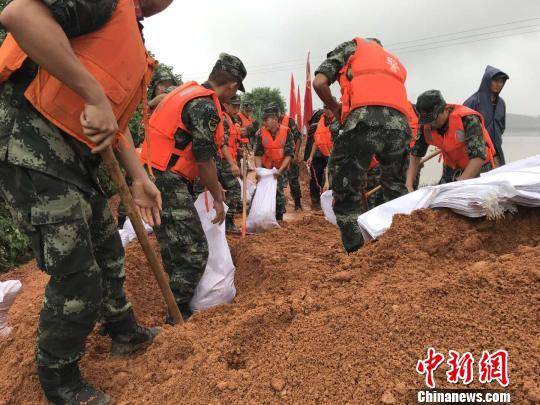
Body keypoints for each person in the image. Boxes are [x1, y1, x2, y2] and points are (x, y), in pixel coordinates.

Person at [0, 0, 169, 403]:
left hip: (75, 156)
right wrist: (92, 93)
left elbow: (115, 123)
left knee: (109, 250)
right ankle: (60, 381)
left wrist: (140, 177)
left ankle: (122, 331)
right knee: (77, 271)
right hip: (30, 138)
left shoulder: (131, 34)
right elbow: (19, 14)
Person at [139, 53, 247, 321]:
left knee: (173, 248)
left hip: (151, 173)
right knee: (194, 252)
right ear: (232, 85)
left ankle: (180, 308)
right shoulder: (205, 106)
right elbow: (204, 160)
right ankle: (175, 316)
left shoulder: (184, 92)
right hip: (166, 179)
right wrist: (217, 197)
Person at [313, 37, 410, 252]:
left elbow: (319, 83)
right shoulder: (391, 60)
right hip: (401, 125)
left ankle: (357, 253)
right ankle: (400, 249)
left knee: (346, 190)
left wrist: (336, 109)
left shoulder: (352, 48)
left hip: (364, 119)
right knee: (395, 189)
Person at [406, 90, 496, 191]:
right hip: (452, 168)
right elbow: (415, 156)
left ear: (445, 109)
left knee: (473, 201)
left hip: (479, 168)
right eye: (427, 120)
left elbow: (478, 157)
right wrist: (409, 184)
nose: (431, 124)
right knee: (439, 199)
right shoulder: (425, 126)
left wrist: (459, 184)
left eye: (434, 119)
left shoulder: (468, 119)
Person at [253, 109, 295, 221]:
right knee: (261, 191)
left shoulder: (287, 132)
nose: (264, 123)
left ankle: (279, 218)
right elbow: (258, 154)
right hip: (266, 168)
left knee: (279, 192)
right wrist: (259, 171)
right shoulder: (261, 133)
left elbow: (289, 154)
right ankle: (258, 216)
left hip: (281, 167)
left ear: (275, 120)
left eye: (265, 120)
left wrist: (280, 171)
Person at [464, 65, 509, 166]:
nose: (498, 84)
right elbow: (462, 130)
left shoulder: (501, 103)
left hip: (496, 152)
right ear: (487, 81)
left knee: (500, 179)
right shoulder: (472, 102)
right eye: (495, 80)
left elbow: (502, 127)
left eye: (501, 81)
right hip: (476, 154)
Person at [266, 102, 303, 210]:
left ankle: (297, 204)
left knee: (293, 180)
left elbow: (299, 137)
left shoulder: (289, 121)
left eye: (274, 113)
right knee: (278, 182)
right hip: (276, 159)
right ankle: (279, 206)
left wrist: (295, 155)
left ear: (279, 112)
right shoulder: (269, 122)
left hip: (289, 155)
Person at [306, 106, 340, 210]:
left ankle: (335, 206)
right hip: (324, 153)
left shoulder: (339, 122)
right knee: (318, 178)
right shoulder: (321, 121)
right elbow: (316, 140)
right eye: (326, 108)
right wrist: (310, 156)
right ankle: (319, 203)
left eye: (329, 108)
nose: (327, 110)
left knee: (333, 180)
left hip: (336, 156)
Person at [220, 96, 243, 233]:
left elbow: (231, 142)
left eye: (238, 106)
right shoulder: (223, 119)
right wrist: (232, 163)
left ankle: (225, 223)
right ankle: (228, 223)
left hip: (228, 160)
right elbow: (222, 144)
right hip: (223, 161)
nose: (236, 109)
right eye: (234, 106)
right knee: (234, 190)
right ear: (225, 105)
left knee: (227, 191)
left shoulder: (231, 120)